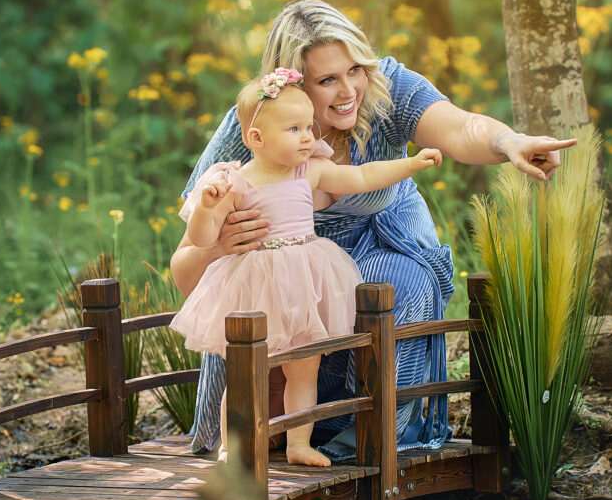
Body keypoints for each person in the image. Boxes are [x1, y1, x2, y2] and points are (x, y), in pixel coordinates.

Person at [171, 0, 575, 460]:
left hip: (378, 248)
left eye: (355, 70)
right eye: (327, 80)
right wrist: (219, 246)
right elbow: (184, 273)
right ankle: (276, 431)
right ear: (293, 87)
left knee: (392, 285)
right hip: (283, 285)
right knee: (277, 343)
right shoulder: (253, 125)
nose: (348, 91)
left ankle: (368, 434)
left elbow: (461, 128)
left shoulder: (387, 89)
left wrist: (509, 142)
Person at [170, 68, 442, 466]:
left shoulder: (308, 169)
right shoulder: (233, 182)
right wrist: (208, 208)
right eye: (294, 129)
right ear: (256, 138)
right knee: (248, 373)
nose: (307, 137)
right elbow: (202, 238)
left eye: (307, 128)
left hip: (305, 280)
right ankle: (234, 445)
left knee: (304, 368)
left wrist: (411, 165)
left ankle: (299, 442)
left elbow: (362, 176)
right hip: (256, 283)